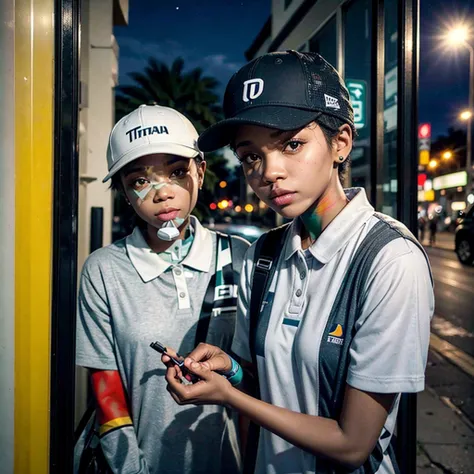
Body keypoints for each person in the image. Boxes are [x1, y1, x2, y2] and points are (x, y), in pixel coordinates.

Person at [163, 51, 434, 474]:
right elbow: (266, 383)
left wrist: (229, 397)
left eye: (292, 143)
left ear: (340, 142)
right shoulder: (264, 255)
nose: (269, 172)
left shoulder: (389, 259)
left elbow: (352, 444)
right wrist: (230, 368)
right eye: (250, 155)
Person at [75, 104, 249, 474]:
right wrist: (130, 468)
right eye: (140, 180)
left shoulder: (241, 257)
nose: (162, 192)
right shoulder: (103, 270)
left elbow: (262, 375)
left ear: (200, 172)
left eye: (176, 171)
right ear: (123, 191)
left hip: (228, 462)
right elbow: (105, 385)